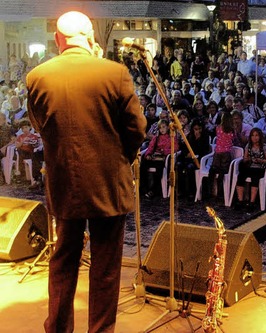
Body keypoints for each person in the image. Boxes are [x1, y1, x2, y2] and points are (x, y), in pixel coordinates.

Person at [26, 11, 146, 333]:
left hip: (65, 183)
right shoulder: (114, 73)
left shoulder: (38, 76)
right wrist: (122, 156)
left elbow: (40, 125)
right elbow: (137, 127)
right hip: (108, 184)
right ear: (91, 36)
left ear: (57, 40)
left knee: (63, 261)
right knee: (105, 268)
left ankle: (59, 328)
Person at [234, 128, 266, 211]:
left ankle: (252, 202)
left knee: (255, 178)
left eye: (257, 135)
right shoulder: (248, 145)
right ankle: (240, 200)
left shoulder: (264, 147)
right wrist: (248, 159)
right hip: (250, 166)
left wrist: (260, 160)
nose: (255, 138)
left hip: (259, 168)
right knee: (241, 176)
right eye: (253, 136)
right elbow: (245, 158)